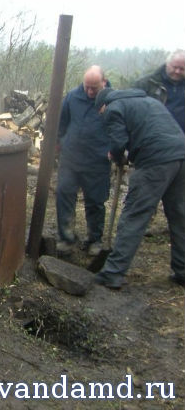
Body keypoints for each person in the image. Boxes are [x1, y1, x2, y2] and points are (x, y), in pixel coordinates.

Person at [93, 88, 185, 289]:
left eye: (100, 113)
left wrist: (117, 157)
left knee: (135, 214)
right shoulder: (149, 101)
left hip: (156, 161)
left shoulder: (113, 108)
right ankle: (182, 271)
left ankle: (113, 273)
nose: (102, 116)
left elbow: (118, 143)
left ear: (103, 105)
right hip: (181, 155)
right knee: (180, 216)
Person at [55, 66, 111, 256]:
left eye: (94, 88)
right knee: (64, 194)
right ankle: (66, 237)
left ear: (104, 82)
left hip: (98, 161)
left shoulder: (113, 101)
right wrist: (61, 143)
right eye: (86, 86)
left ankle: (94, 239)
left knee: (95, 202)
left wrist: (115, 151)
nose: (89, 91)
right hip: (71, 159)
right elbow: (61, 124)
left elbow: (119, 128)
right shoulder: (72, 97)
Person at [133, 49, 185, 132]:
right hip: (155, 136)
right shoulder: (146, 84)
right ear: (167, 64)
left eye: (182, 69)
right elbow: (132, 111)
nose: (177, 71)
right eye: (174, 67)